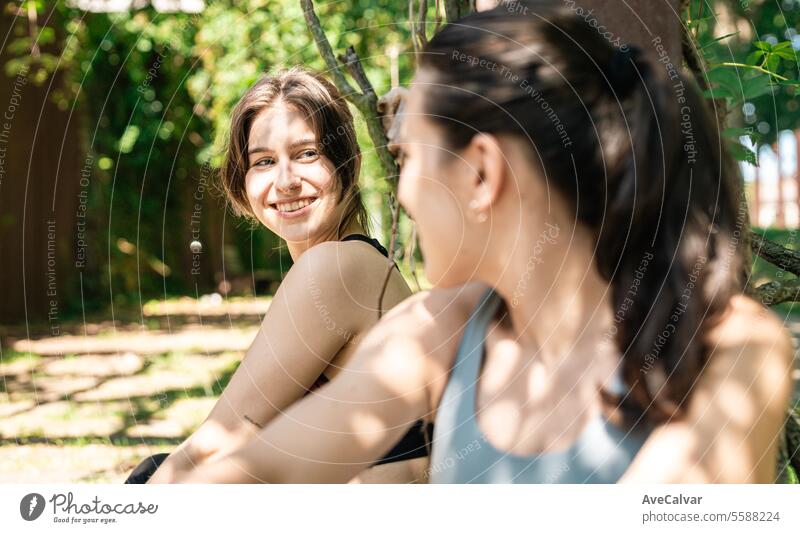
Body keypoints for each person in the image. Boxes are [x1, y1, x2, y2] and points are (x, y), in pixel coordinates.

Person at [168, 1, 794, 484]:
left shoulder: (733, 347)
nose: (404, 194)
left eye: (409, 157)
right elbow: (265, 469)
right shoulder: (439, 327)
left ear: (482, 174)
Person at [134, 68, 431, 484]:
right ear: (243, 180)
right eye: (265, 162)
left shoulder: (335, 268)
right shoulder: (363, 261)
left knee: (158, 476)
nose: (286, 181)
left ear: (347, 160)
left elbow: (220, 441)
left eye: (307, 153)